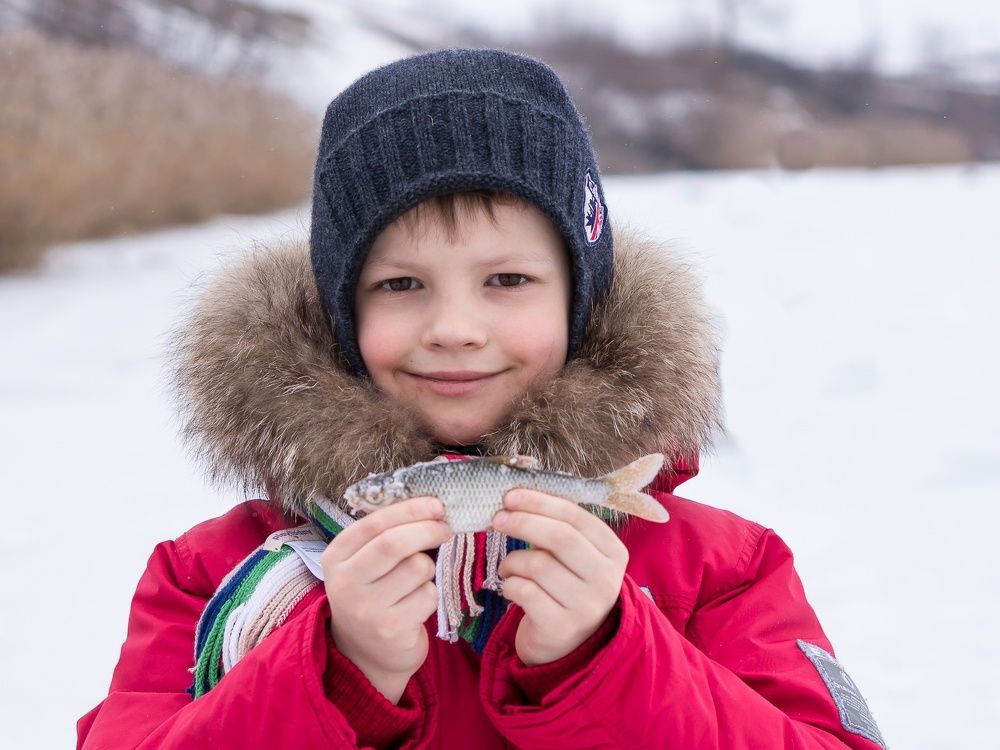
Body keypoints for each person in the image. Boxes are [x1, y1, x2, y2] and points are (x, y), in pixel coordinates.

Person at [77, 48, 887, 749]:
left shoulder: (719, 573)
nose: (456, 328)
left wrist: (606, 660)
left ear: (581, 301)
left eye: (508, 280)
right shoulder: (207, 580)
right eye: (400, 284)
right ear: (339, 315)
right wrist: (334, 675)